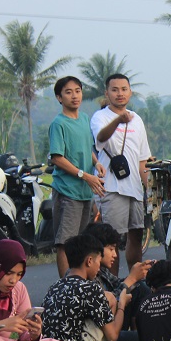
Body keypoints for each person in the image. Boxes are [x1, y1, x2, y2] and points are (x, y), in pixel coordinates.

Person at [90, 74, 152, 271]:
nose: (120, 93)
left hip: (134, 186)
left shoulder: (137, 120)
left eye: (124, 89)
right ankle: (112, 284)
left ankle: (135, 282)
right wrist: (118, 121)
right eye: (115, 90)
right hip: (112, 187)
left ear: (130, 92)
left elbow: (143, 159)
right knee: (112, 240)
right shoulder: (100, 117)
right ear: (106, 93)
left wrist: (149, 188)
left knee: (136, 234)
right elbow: (100, 137)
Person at [49, 76, 107, 278]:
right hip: (68, 190)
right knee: (65, 243)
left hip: (84, 191)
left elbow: (86, 148)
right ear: (59, 97)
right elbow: (57, 158)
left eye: (77, 90)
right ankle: (66, 287)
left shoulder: (83, 119)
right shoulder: (59, 124)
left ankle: (79, 283)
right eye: (68, 92)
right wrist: (84, 175)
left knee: (80, 243)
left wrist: (96, 162)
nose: (74, 96)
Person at [42, 234, 121, 341]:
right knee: (110, 298)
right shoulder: (91, 288)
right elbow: (113, 336)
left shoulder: (54, 286)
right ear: (89, 261)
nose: (99, 268)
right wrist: (123, 306)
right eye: (99, 262)